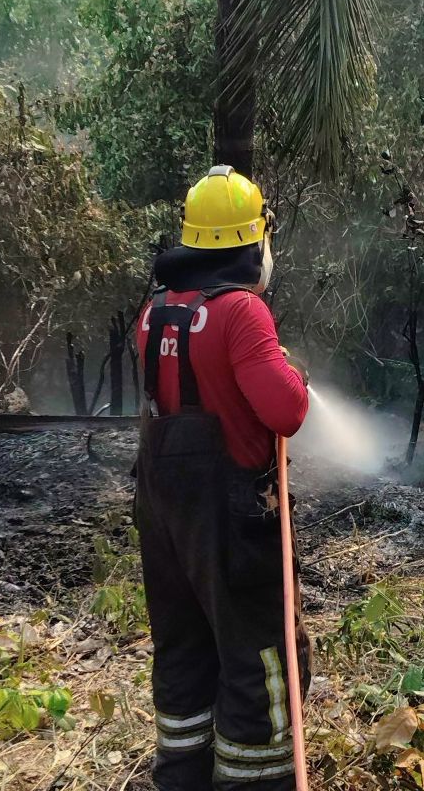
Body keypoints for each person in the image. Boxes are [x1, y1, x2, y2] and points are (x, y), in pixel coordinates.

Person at [134, 166, 310, 791]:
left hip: (162, 512)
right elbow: (286, 410)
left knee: (184, 645)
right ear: (251, 239)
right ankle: (253, 779)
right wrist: (292, 374)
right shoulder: (242, 312)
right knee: (257, 653)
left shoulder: (155, 314)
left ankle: (182, 775)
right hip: (228, 515)